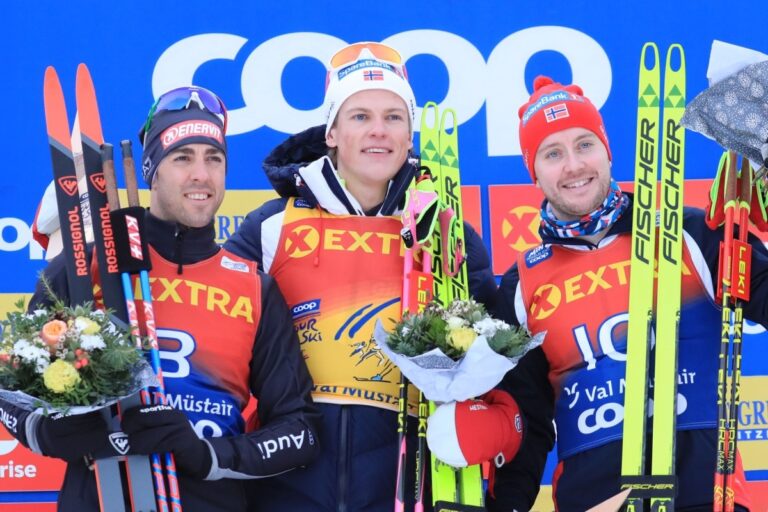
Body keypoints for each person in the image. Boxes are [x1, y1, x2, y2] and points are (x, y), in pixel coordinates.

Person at [426, 76, 767, 511]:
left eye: (584, 144)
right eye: (553, 153)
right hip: (595, 502)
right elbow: (526, 423)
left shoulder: (691, 233)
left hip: (706, 496)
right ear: (535, 172)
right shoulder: (519, 287)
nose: (573, 165)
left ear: (607, 150)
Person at [0, 86, 321, 511]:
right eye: (182, 158)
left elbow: (300, 432)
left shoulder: (253, 288)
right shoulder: (87, 269)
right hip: (99, 495)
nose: (200, 175)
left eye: (214, 159)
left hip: (209, 499)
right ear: (150, 170)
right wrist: (44, 431)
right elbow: (10, 387)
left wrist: (208, 455)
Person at [224, 42, 497, 511]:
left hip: (407, 483)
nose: (379, 131)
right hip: (286, 483)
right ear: (330, 131)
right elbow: (216, 341)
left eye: (394, 117)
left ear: (411, 135)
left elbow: (493, 374)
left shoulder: (448, 234)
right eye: (360, 116)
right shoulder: (270, 227)